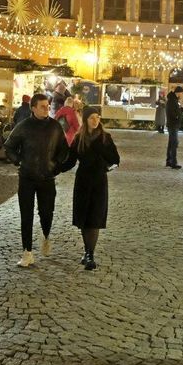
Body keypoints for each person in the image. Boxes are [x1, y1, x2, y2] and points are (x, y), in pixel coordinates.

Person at [4, 93, 69, 267]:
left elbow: (64, 149)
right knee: (26, 215)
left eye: (47, 106)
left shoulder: (55, 127)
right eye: (42, 106)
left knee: (46, 213)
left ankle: (46, 235)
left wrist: (57, 165)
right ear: (33, 108)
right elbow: (9, 146)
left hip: (47, 178)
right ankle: (27, 252)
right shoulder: (23, 126)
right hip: (27, 177)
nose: (46, 109)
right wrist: (18, 161)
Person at [67, 106, 120, 271]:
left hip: (98, 182)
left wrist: (105, 164)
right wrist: (53, 168)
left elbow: (116, 159)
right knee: (84, 217)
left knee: (95, 218)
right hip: (82, 181)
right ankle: (86, 250)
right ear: (86, 120)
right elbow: (69, 160)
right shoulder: (79, 139)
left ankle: (90, 254)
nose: (95, 120)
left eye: (97, 117)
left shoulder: (105, 138)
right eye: (92, 118)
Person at [164, 85, 183, 169]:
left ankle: (169, 161)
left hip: (173, 124)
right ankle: (173, 163)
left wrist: (181, 110)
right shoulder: (172, 101)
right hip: (173, 124)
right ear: (178, 93)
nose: (182, 94)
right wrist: (178, 115)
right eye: (181, 93)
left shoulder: (173, 100)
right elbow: (172, 113)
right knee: (174, 143)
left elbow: (175, 111)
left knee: (171, 143)